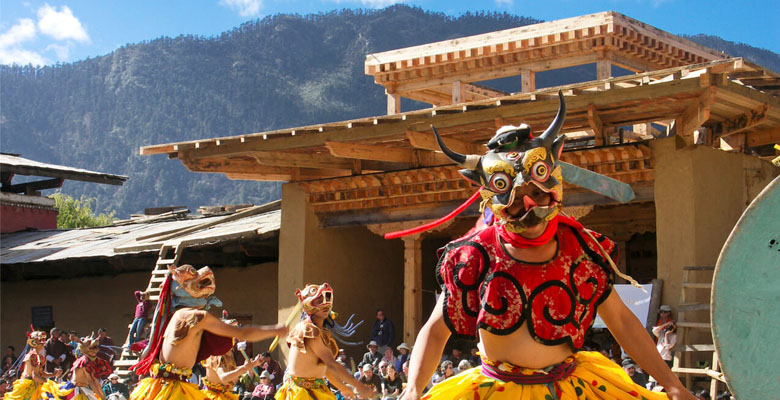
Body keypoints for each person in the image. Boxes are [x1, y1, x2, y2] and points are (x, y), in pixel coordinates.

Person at [400, 93, 695, 400]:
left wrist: (673, 385)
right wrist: (411, 389)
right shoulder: (473, 255)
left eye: (538, 194)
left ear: (553, 180)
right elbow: (436, 331)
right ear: (490, 196)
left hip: (571, 388)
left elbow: (621, 320)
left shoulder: (581, 249)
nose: (528, 207)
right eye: (514, 200)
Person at [128, 264, 286, 400]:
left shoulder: (174, 316)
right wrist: (276, 330)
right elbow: (242, 334)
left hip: (162, 386)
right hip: (173, 391)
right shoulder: (195, 316)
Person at [277, 283, 375, 400]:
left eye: (326, 299)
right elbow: (331, 363)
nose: (325, 303)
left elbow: (325, 369)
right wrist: (360, 386)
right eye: (319, 300)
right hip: (301, 392)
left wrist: (342, 387)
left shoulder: (322, 332)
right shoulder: (308, 329)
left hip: (317, 389)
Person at [41, 332, 112, 400]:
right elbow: (92, 381)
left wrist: (103, 397)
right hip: (76, 390)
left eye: (95, 351)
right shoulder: (84, 361)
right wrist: (102, 397)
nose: (94, 353)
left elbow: (95, 381)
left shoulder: (91, 360)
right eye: (91, 351)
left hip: (83, 389)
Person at [3, 331, 61, 400]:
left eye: (43, 343)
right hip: (28, 385)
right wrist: (48, 383)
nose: (43, 345)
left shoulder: (40, 357)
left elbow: (40, 373)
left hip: (34, 384)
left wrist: (53, 374)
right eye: (41, 343)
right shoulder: (33, 355)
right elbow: (35, 376)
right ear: (36, 344)